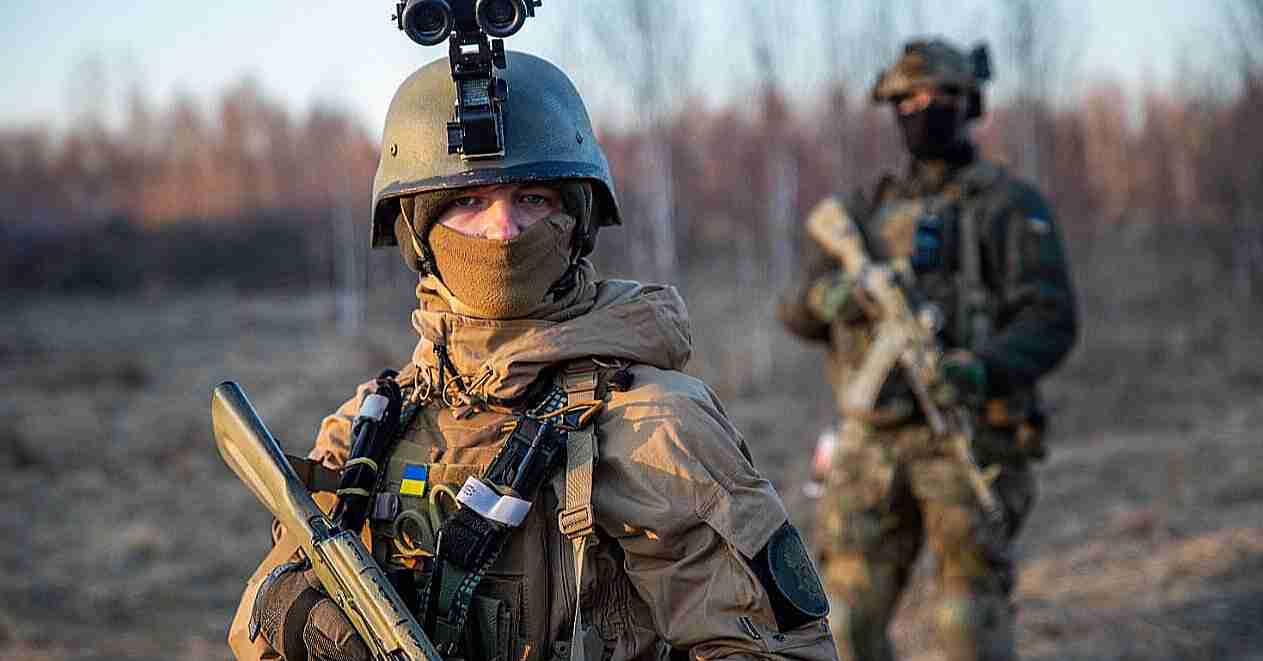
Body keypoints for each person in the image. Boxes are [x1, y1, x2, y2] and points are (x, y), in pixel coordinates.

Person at [227, 51, 838, 661]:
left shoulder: (656, 426)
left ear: (577, 220)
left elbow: (781, 651)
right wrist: (291, 614)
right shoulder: (370, 423)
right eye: (469, 202)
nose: (505, 230)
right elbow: (257, 623)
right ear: (417, 233)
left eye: (534, 198)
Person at [778, 39, 1077, 661]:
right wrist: (835, 297)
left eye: (938, 96)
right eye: (907, 101)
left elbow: (1051, 318)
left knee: (969, 625)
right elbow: (794, 309)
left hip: (968, 436)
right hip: (871, 447)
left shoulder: (1007, 205)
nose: (922, 109)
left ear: (968, 104)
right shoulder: (862, 211)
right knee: (843, 624)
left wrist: (981, 369)